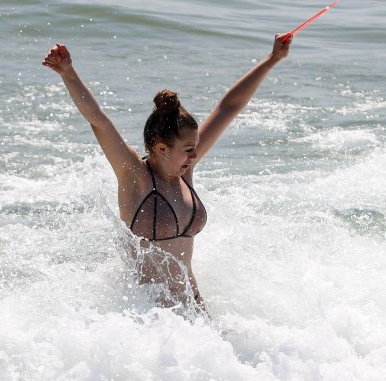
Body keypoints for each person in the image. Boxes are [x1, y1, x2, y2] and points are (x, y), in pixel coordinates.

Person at [43, 34, 292, 314]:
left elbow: (228, 107)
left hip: (195, 316)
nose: (195, 155)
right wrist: (68, 73)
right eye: (188, 149)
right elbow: (98, 120)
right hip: (147, 323)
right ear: (161, 148)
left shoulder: (186, 174)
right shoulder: (135, 175)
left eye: (195, 148)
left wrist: (271, 61)